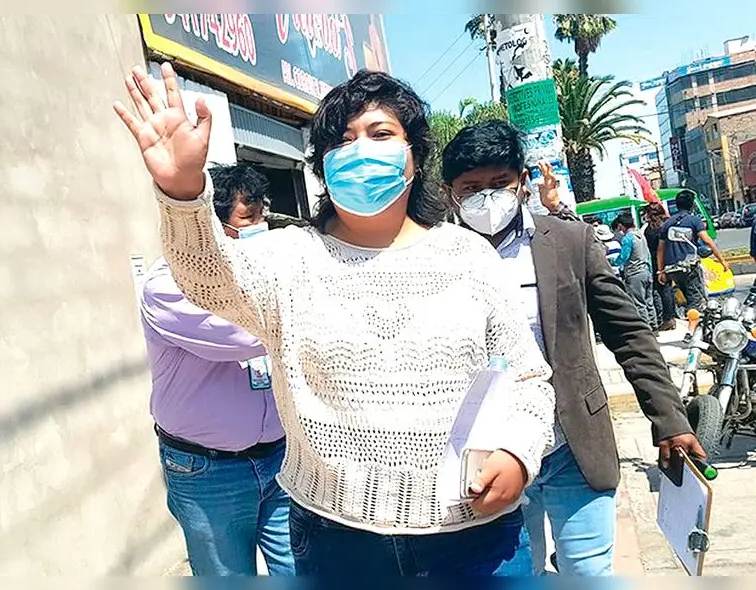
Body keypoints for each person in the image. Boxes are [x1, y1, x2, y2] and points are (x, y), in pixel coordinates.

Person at [116, 63, 556, 577]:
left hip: (475, 537)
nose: (361, 150)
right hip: (336, 539)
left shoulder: (469, 256)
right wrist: (184, 193)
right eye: (342, 141)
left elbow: (527, 379)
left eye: (381, 133)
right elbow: (204, 277)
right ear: (323, 167)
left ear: (415, 154)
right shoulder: (288, 258)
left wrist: (518, 453)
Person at [441, 120, 706, 577]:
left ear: (522, 182)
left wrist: (669, 418)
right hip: (484, 456)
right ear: (451, 193)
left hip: (572, 446)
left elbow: (627, 333)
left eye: (499, 183)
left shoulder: (569, 241)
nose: (487, 197)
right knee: (512, 577)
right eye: (472, 187)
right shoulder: (435, 256)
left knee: (588, 574)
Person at [140, 163, 293, 577]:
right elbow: (244, 335)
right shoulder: (168, 285)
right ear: (213, 226)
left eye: (262, 217)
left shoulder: (259, 273)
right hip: (208, 471)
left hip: (280, 458)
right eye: (248, 220)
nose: (259, 229)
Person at [657, 191, 729, 313]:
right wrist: (722, 261)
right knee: (697, 301)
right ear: (691, 205)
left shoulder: (667, 224)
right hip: (689, 268)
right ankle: (693, 328)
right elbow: (708, 242)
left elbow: (660, 250)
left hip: (672, 270)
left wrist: (661, 271)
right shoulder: (694, 221)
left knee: (686, 299)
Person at [611, 213, 658, 330]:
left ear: (621, 226)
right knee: (649, 301)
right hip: (646, 271)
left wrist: (612, 261)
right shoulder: (640, 235)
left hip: (635, 273)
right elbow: (647, 254)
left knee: (639, 302)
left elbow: (624, 257)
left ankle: (646, 328)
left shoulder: (628, 238)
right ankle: (654, 324)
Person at [643, 203, 678, 330]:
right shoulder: (666, 225)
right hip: (668, 259)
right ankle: (670, 316)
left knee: (663, 289)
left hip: (657, 260)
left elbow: (656, 248)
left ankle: (668, 318)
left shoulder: (652, 229)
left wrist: (659, 268)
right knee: (667, 289)